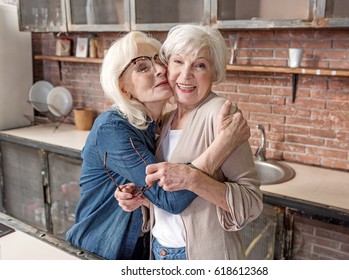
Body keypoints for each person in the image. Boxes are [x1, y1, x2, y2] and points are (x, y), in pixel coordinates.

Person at [66, 31, 250, 260]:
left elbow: (161, 193)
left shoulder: (159, 125)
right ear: (124, 88)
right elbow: (169, 198)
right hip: (101, 251)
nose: (161, 69)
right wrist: (222, 146)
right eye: (142, 67)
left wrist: (141, 198)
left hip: (147, 251)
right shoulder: (112, 129)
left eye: (159, 60)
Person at [116, 25, 263, 260]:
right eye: (178, 62)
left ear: (214, 72)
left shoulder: (220, 114)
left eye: (199, 65)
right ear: (166, 66)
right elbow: (171, 194)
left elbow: (252, 202)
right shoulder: (166, 120)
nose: (186, 75)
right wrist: (144, 198)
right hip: (160, 251)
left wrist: (193, 179)